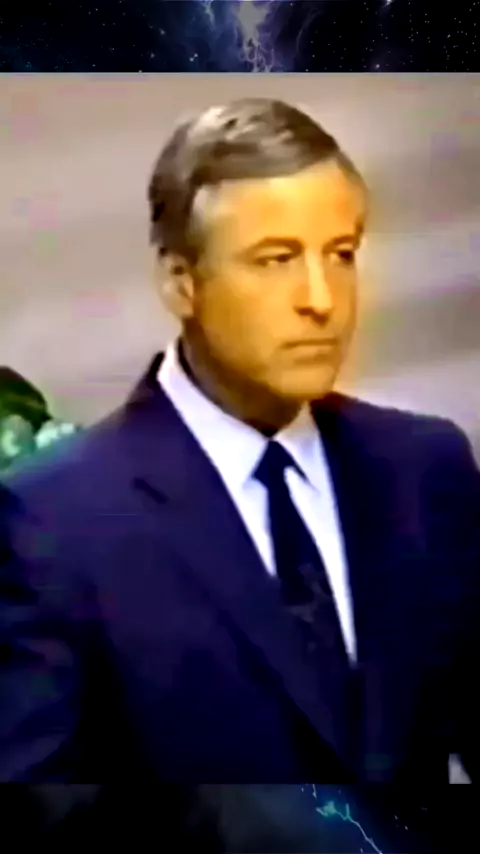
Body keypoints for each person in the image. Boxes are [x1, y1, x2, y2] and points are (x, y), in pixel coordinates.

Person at [1, 98, 479, 793]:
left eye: (341, 255)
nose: (321, 299)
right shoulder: (53, 524)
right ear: (180, 281)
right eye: (277, 259)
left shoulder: (425, 471)